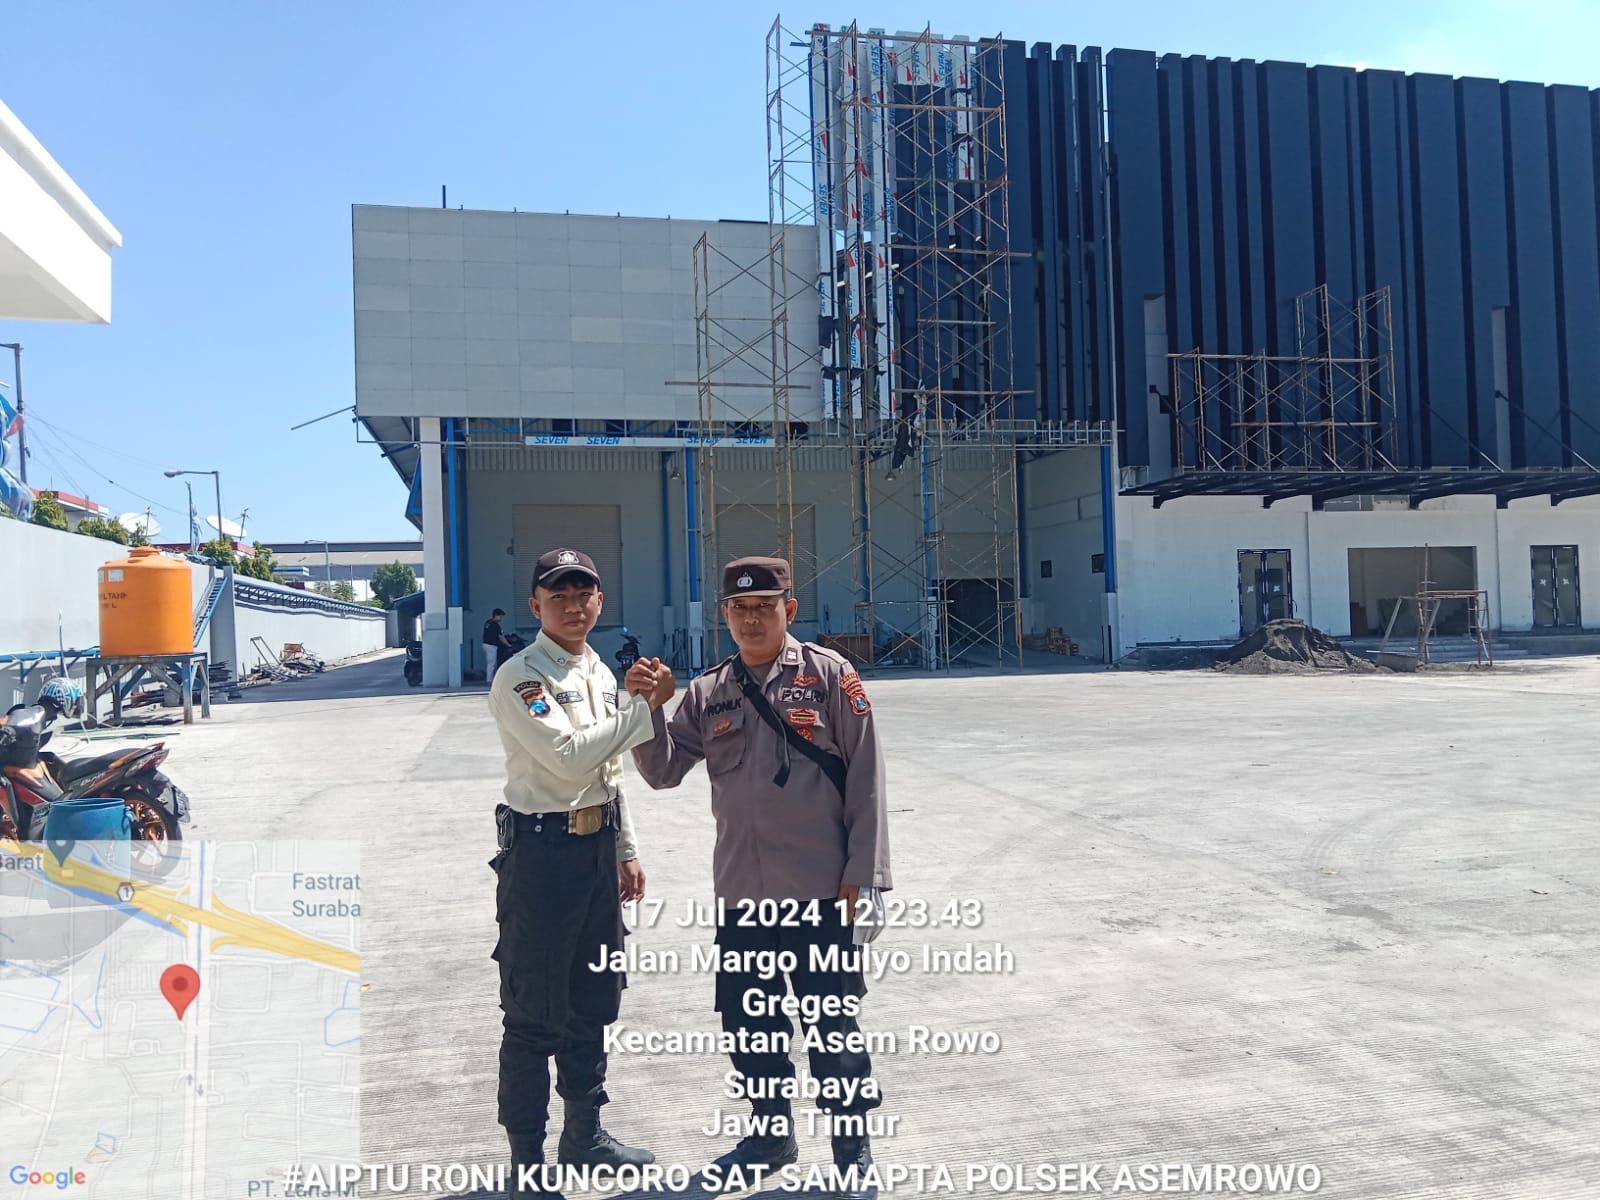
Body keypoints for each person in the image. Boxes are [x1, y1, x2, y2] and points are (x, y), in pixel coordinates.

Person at [628, 556, 893, 1200]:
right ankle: (771, 1136)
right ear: (725, 615)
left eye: (764, 607)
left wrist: (866, 875)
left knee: (831, 1025)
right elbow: (662, 772)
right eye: (739, 609)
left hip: (821, 891)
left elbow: (866, 778)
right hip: (743, 894)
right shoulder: (707, 691)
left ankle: (851, 1148)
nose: (751, 619)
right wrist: (648, 710)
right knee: (751, 1025)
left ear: (789, 610)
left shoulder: (831, 677)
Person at [487, 549, 666, 1199]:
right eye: (557, 595)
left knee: (594, 998)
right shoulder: (521, 677)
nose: (572, 605)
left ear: (599, 601)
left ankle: (584, 1136)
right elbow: (567, 759)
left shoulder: (597, 670)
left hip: (594, 853)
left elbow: (607, 774)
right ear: (535, 605)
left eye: (583, 593)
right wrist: (644, 710)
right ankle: (527, 1164)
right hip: (542, 857)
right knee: (534, 1011)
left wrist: (625, 847)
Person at [483, 608, 511, 682]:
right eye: (500, 617)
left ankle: (490, 679)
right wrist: (508, 645)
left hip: (486, 644)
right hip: (491, 646)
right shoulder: (495, 625)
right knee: (491, 664)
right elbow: (501, 637)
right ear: (496, 615)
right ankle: (489, 680)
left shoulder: (488, 622)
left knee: (491, 663)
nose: (501, 619)